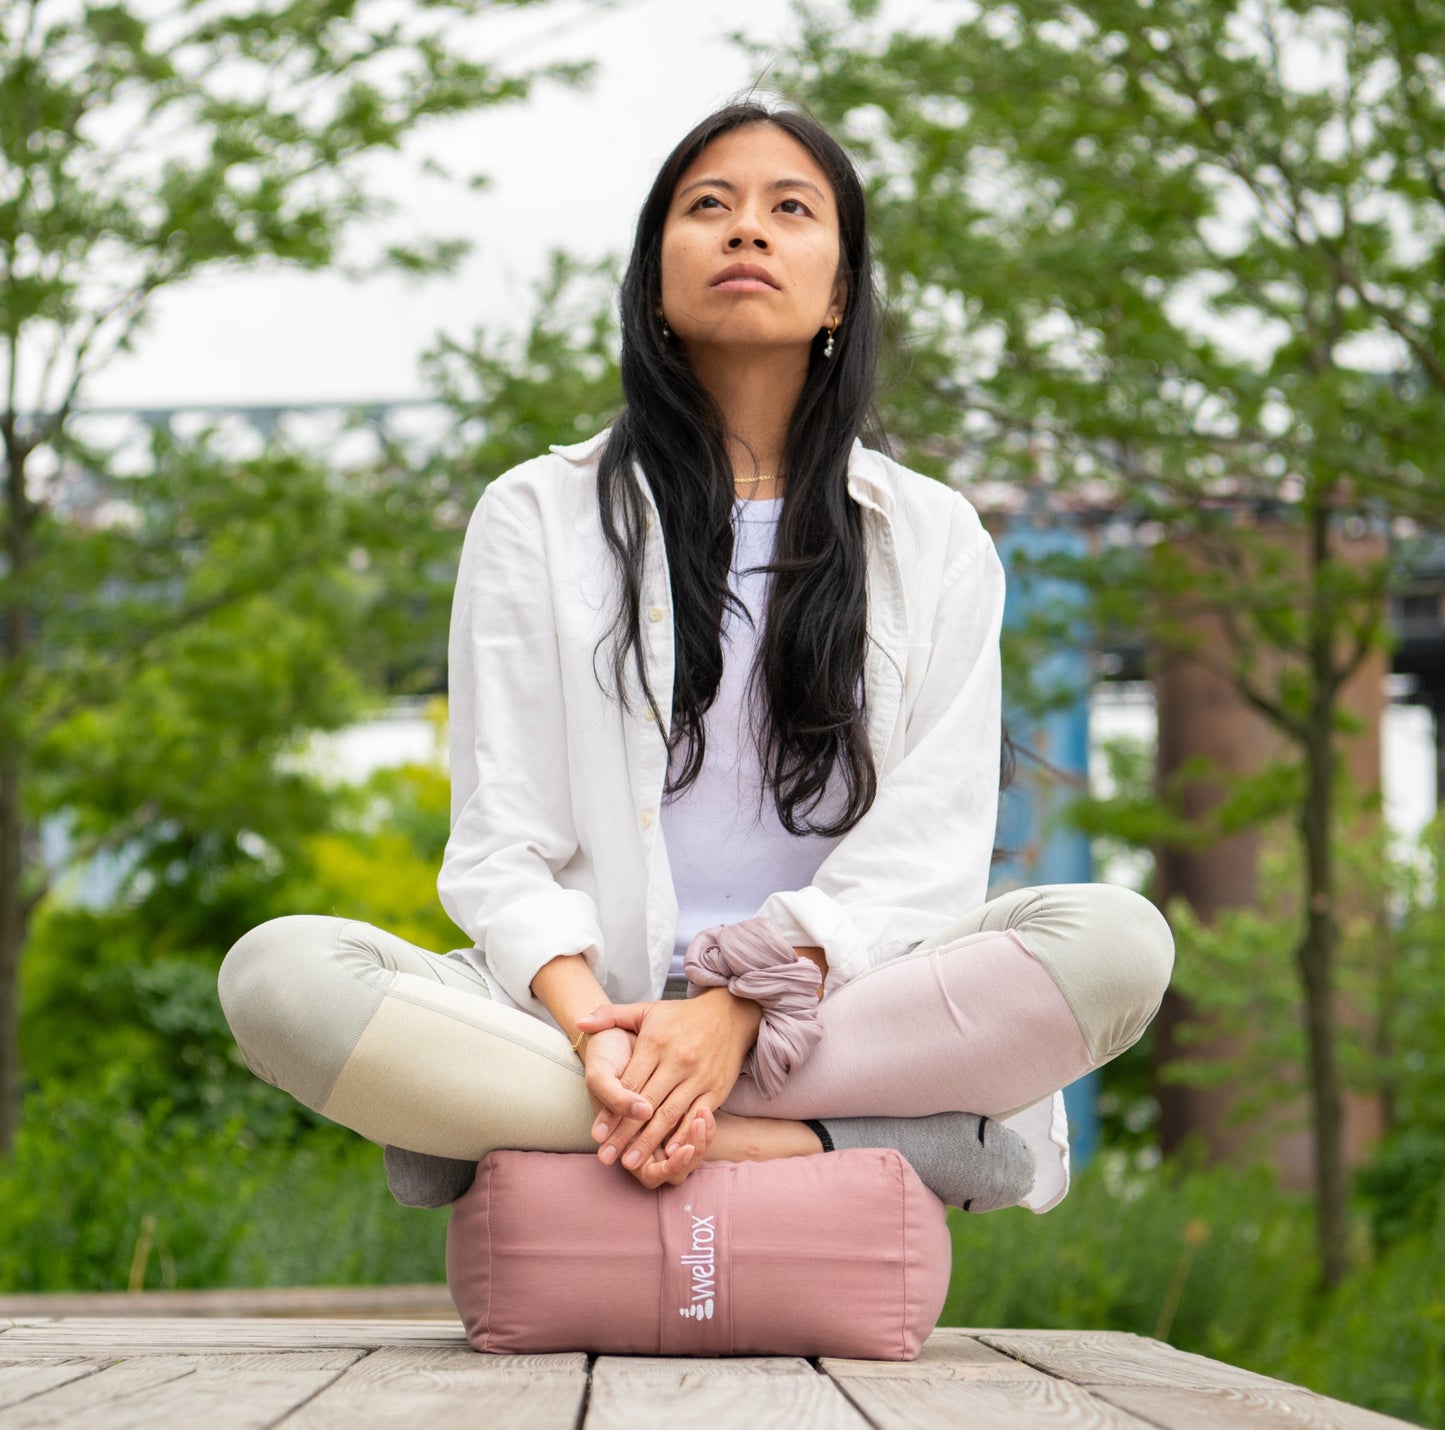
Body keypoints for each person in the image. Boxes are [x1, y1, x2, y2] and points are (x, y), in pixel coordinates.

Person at [218, 100, 1174, 1218]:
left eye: (789, 209)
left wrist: (732, 1010)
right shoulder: (538, 512)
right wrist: (598, 1030)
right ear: (653, 284)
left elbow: (930, 848)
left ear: (838, 294)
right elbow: (501, 844)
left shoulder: (933, 535)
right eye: (707, 206)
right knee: (278, 976)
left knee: (1118, 942)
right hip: (584, 1014)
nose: (745, 230)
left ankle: (517, 1130)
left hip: (831, 1013)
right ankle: (849, 1143)